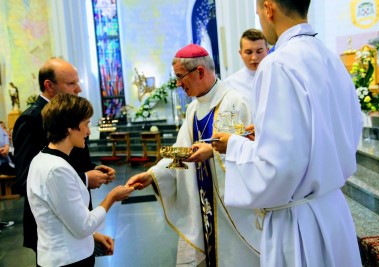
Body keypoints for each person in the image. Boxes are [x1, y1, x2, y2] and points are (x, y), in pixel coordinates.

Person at [212, 0, 363, 266]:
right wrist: (268, 132)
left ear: (268, 8)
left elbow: (278, 168)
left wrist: (234, 145)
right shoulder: (329, 56)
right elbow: (342, 129)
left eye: (258, 11)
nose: (259, 18)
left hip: (299, 224)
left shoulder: (277, 64)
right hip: (333, 212)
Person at [126, 44, 260, 266]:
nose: (178, 84)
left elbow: (252, 150)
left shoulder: (234, 102)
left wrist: (214, 153)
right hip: (203, 203)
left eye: (180, 77)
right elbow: (182, 151)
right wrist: (153, 174)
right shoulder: (193, 110)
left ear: (199, 72)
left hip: (233, 210)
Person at [12, 58, 116, 256]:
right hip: (53, 232)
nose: (78, 89)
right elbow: (27, 178)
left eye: (77, 82)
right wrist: (85, 178)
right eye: (71, 84)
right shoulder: (32, 120)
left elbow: (72, 159)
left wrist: (94, 169)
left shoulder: (71, 113)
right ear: (49, 85)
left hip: (76, 218)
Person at [27, 93, 135, 267]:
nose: (88, 131)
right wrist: (112, 197)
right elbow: (83, 225)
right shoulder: (57, 169)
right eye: (86, 124)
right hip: (68, 260)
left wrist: (93, 236)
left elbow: (63, 217)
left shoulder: (43, 158)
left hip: (65, 254)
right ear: (69, 127)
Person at [223, 28, 269, 110]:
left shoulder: (278, 78)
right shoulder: (229, 85)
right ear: (240, 54)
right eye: (248, 52)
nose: (254, 58)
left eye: (259, 51)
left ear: (267, 51)